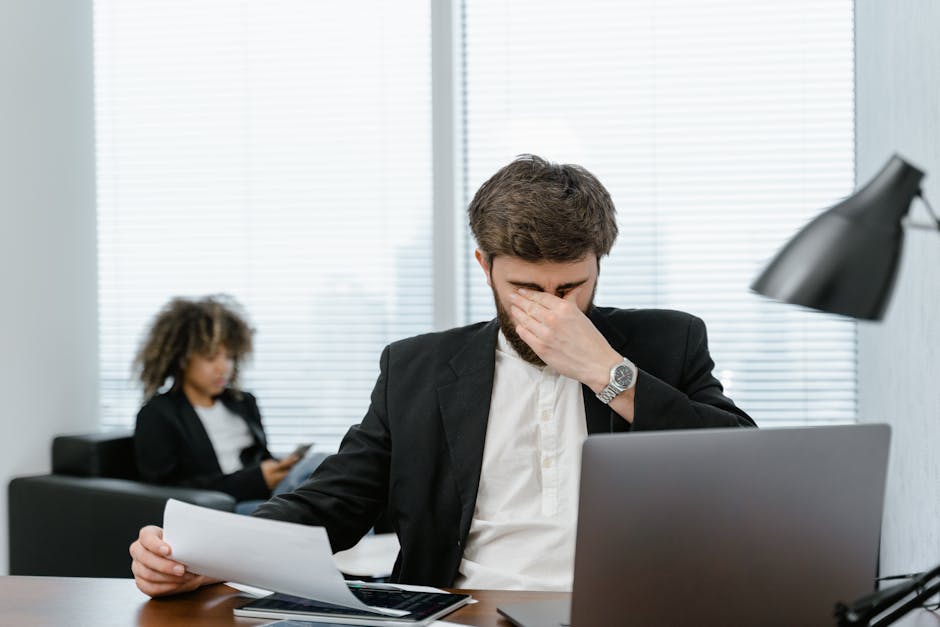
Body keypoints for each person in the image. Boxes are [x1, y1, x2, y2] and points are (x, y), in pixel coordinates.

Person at [130, 155, 755, 597]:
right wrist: (211, 557)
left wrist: (605, 371)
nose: (552, 310)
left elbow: (743, 471)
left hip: (623, 609)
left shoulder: (667, 342)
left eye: (571, 288)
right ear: (485, 267)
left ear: (600, 263)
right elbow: (335, 501)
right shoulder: (416, 368)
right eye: (525, 289)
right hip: (462, 609)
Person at [132, 295, 320, 514]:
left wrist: (279, 467)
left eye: (230, 357)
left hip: (272, 497)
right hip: (231, 508)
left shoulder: (243, 402)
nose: (224, 368)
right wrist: (256, 479)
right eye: (211, 357)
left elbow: (261, 458)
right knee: (322, 478)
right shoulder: (158, 414)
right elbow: (166, 492)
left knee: (323, 470)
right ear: (182, 358)